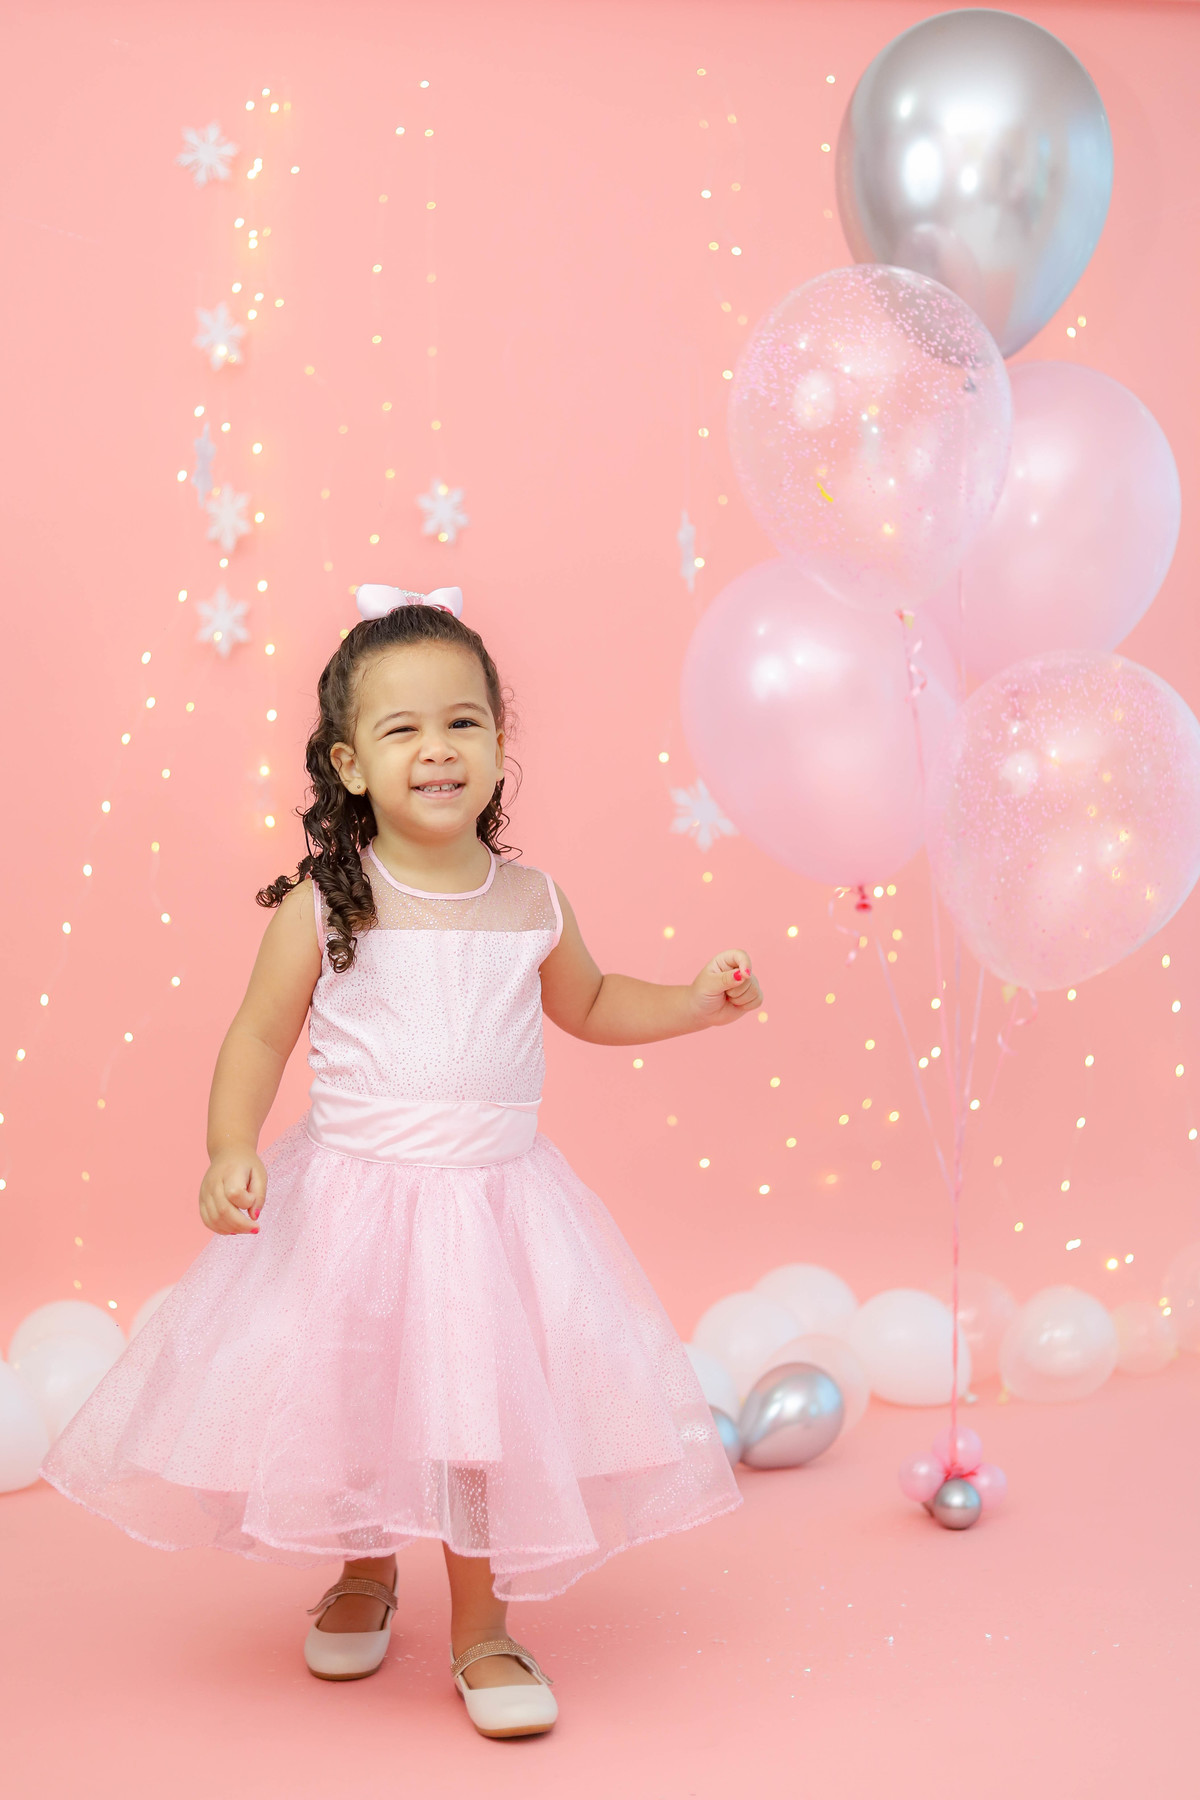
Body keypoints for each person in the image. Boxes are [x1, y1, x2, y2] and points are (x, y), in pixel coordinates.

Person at [42, 583, 762, 1739]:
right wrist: (230, 1148)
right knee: (356, 1397)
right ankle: (363, 1570)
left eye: (463, 721)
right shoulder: (327, 904)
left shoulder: (531, 901)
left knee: (476, 1423)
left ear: (500, 745)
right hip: (354, 1204)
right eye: (402, 729)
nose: (438, 749)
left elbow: (591, 1003)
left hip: (492, 1211)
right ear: (351, 764)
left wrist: (689, 1002)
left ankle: (483, 1628)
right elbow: (258, 1036)